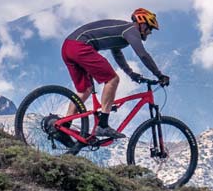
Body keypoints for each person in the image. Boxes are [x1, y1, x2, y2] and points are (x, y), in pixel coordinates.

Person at [61, 8, 170, 139]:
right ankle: (103, 125)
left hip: (68, 47)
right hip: (80, 46)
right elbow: (143, 54)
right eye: (150, 28)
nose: (150, 32)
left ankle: (63, 128)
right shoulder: (131, 30)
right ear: (142, 23)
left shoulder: (122, 31)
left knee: (85, 90)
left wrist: (131, 74)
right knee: (112, 79)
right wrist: (159, 75)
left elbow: (117, 54)